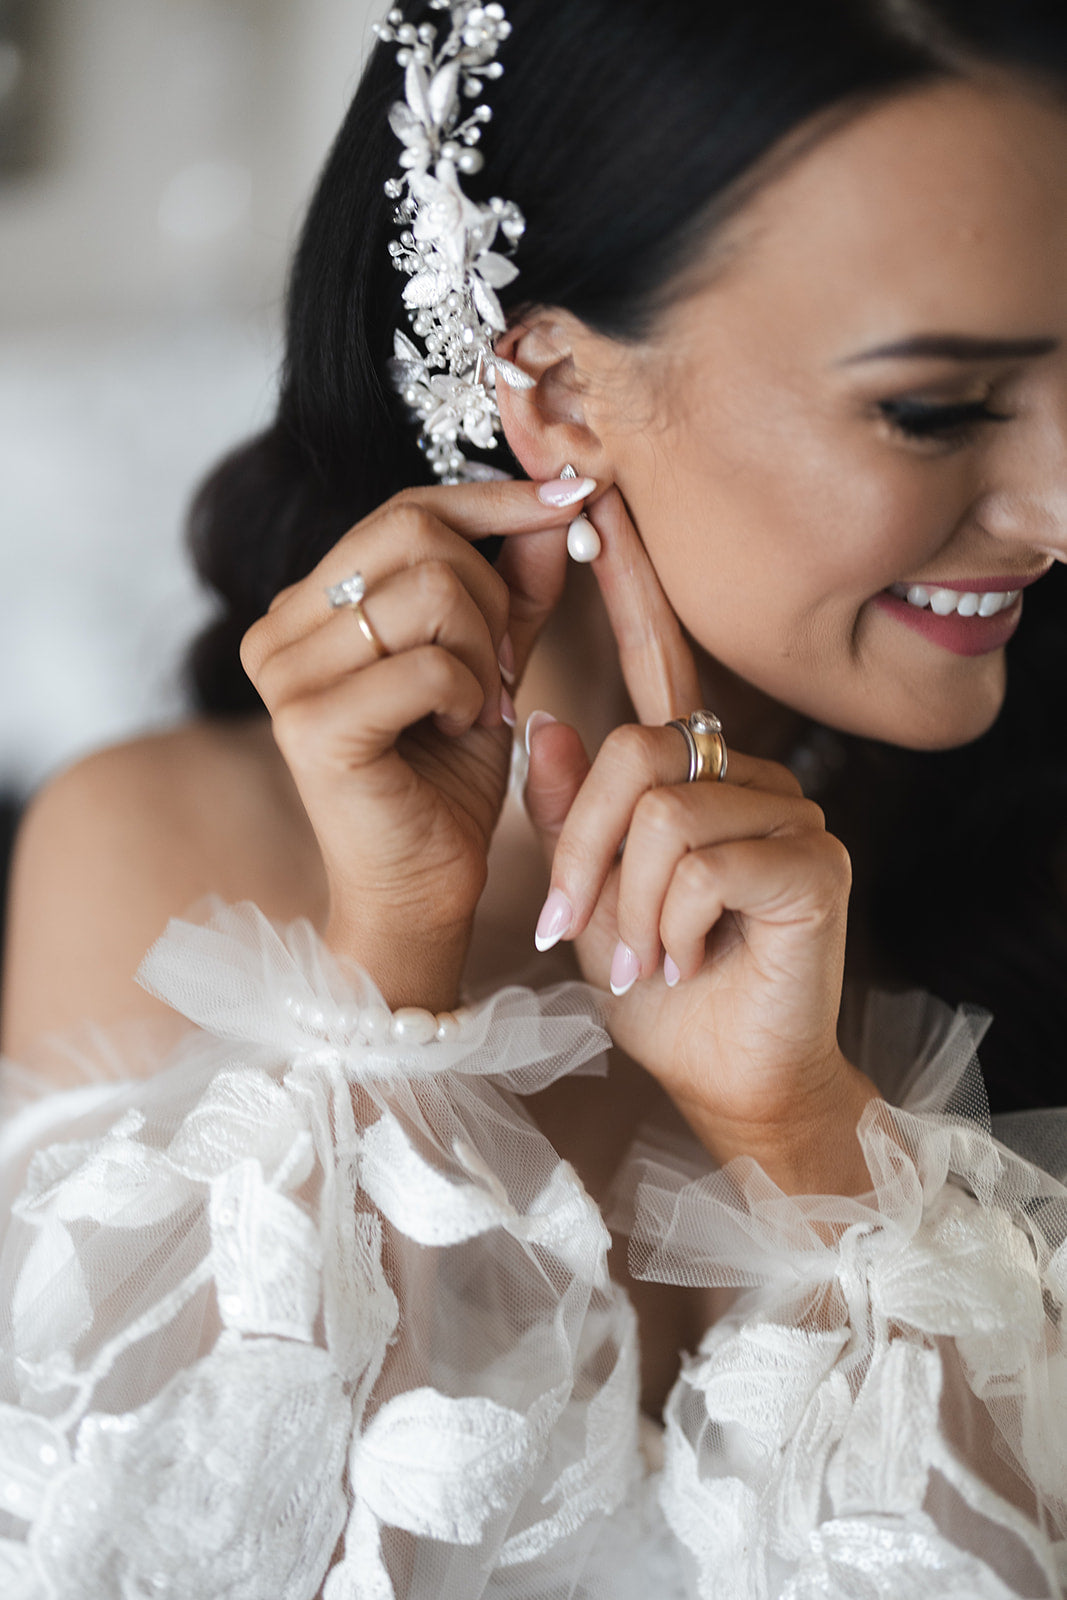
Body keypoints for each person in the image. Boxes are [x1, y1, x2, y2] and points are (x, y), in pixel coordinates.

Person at [2, 0, 1067, 1594]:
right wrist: (386, 980)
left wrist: (810, 1146)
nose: (1060, 498)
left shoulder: (1029, 863)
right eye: (936, 406)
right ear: (558, 397)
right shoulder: (163, 855)